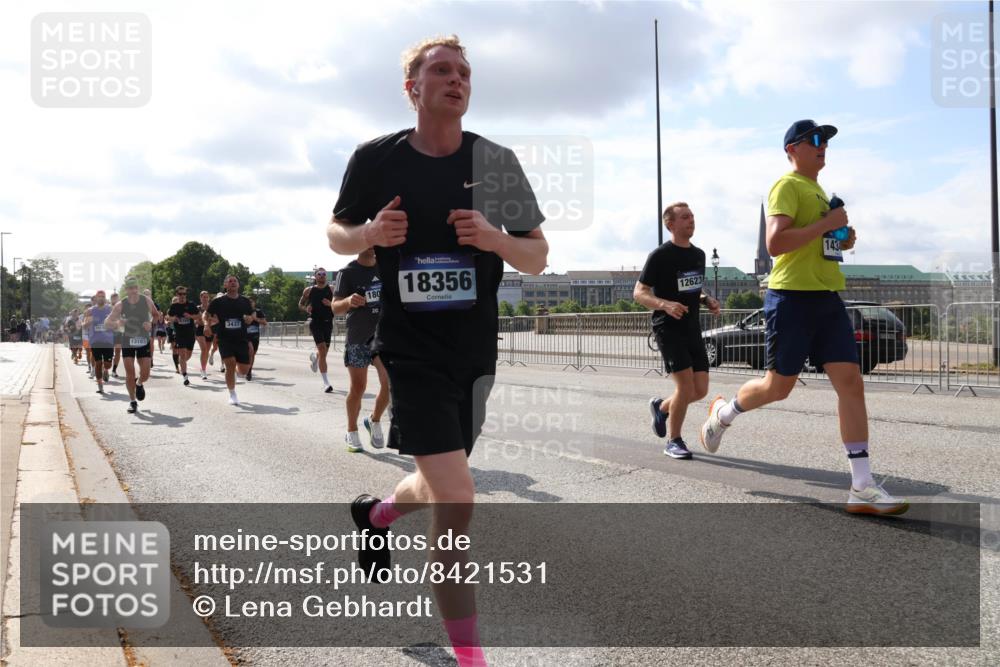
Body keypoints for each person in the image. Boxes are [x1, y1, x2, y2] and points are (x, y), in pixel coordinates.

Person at [327, 35, 547, 667]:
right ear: (413, 88)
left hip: (474, 352)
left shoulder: (495, 163)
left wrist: (492, 239)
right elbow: (336, 233)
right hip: (410, 349)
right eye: (441, 71)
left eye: (464, 73)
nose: (457, 80)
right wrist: (367, 233)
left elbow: (538, 255)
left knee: (436, 480)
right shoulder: (376, 159)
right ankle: (472, 657)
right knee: (459, 498)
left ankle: (378, 516)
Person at [700, 119, 908, 515]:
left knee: (851, 383)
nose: (822, 146)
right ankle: (723, 414)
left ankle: (861, 486)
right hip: (792, 298)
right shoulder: (788, 185)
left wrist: (840, 238)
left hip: (828, 298)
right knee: (778, 387)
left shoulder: (819, 190)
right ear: (792, 149)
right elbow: (775, 243)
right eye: (815, 140)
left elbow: (818, 242)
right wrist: (827, 224)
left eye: (826, 141)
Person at [634, 202, 721, 459]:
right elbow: (639, 292)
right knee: (684, 387)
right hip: (668, 328)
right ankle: (674, 440)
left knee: (700, 389)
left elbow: (692, 288)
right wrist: (665, 304)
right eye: (684, 217)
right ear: (670, 224)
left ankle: (662, 408)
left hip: (692, 328)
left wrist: (706, 300)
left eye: (692, 216)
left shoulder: (699, 255)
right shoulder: (660, 255)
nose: (691, 220)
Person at [332, 248, 389, 452]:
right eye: (368, 241)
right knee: (358, 388)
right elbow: (335, 306)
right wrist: (348, 301)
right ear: (358, 244)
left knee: (388, 382)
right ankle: (351, 430)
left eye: (376, 242)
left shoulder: (386, 267)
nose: (372, 246)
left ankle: (374, 420)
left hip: (382, 337)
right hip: (358, 337)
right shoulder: (347, 272)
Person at [105, 277, 159, 414]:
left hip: (143, 340)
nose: (133, 290)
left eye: (135, 287)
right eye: (130, 288)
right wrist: (118, 324)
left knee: (145, 373)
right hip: (128, 340)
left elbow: (157, 315)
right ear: (127, 289)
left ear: (138, 288)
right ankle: (132, 401)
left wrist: (151, 323)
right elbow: (107, 323)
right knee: (130, 373)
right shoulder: (120, 305)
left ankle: (139, 383)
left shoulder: (146, 300)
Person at [206, 275, 254, 405]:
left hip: (241, 338)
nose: (232, 282)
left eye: (235, 281)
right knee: (230, 364)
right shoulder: (219, 301)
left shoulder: (245, 301)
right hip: (225, 338)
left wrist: (250, 319)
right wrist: (207, 325)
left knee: (243, 371)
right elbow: (207, 314)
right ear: (225, 285)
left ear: (238, 285)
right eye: (230, 281)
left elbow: (251, 315)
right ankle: (232, 394)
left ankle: (237, 374)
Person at [299, 268, 335, 392]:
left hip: (328, 323)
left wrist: (330, 304)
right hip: (315, 323)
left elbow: (339, 303)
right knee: (322, 350)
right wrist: (306, 308)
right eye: (319, 274)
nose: (321, 276)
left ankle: (315, 357)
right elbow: (300, 304)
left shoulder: (331, 289)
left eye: (324, 274)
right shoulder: (309, 290)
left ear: (326, 276)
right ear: (315, 276)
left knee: (323, 352)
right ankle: (326, 383)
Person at [167, 286, 200, 386]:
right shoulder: (174, 306)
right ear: (177, 295)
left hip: (190, 332)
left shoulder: (191, 305)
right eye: (180, 294)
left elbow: (199, 315)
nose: (182, 296)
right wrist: (174, 319)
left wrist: (190, 316)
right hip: (179, 333)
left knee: (188, 355)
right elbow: (168, 317)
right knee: (182, 354)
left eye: (184, 294)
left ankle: (182, 364)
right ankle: (185, 376)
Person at [85, 290, 115, 393]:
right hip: (95, 340)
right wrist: (89, 322)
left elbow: (116, 323)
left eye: (103, 296)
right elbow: (84, 326)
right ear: (96, 298)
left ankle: (106, 370)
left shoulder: (110, 309)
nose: (101, 298)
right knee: (98, 362)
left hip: (108, 340)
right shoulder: (90, 311)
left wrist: (111, 324)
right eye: (99, 296)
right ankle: (100, 384)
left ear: (105, 298)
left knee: (108, 364)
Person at [245, 296, 267, 381]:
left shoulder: (258, 311)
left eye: (252, 302)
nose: (250, 303)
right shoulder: (244, 311)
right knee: (250, 351)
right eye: (249, 302)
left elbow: (265, 323)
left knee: (252, 354)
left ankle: (249, 371)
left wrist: (256, 319)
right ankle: (244, 368)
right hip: (245, 336)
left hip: (255, 336)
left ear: (254, 303)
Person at [195, 290, 213, 380]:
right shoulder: (197, 308)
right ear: (200, 298)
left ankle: (203, 367)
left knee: (206, 351)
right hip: (200, 330)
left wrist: (207, 322)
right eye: (203, 297)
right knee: (204, 349)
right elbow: (197, 320)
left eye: (206, 297)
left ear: (208, 298)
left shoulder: (212, 308)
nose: (205, 299)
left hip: (210, 330)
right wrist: (205, 321)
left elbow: (214, 319)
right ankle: (203, 370)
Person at [109, 292, 124, 377]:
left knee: (118, 351)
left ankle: (114, 370)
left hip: (119, 332)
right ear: (111, 299)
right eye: (113, 298)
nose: (115, 300)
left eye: (116, 298)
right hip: (109, 333)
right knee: (109, 353)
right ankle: (106, 368)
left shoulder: (122, 308)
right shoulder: (107, 308)